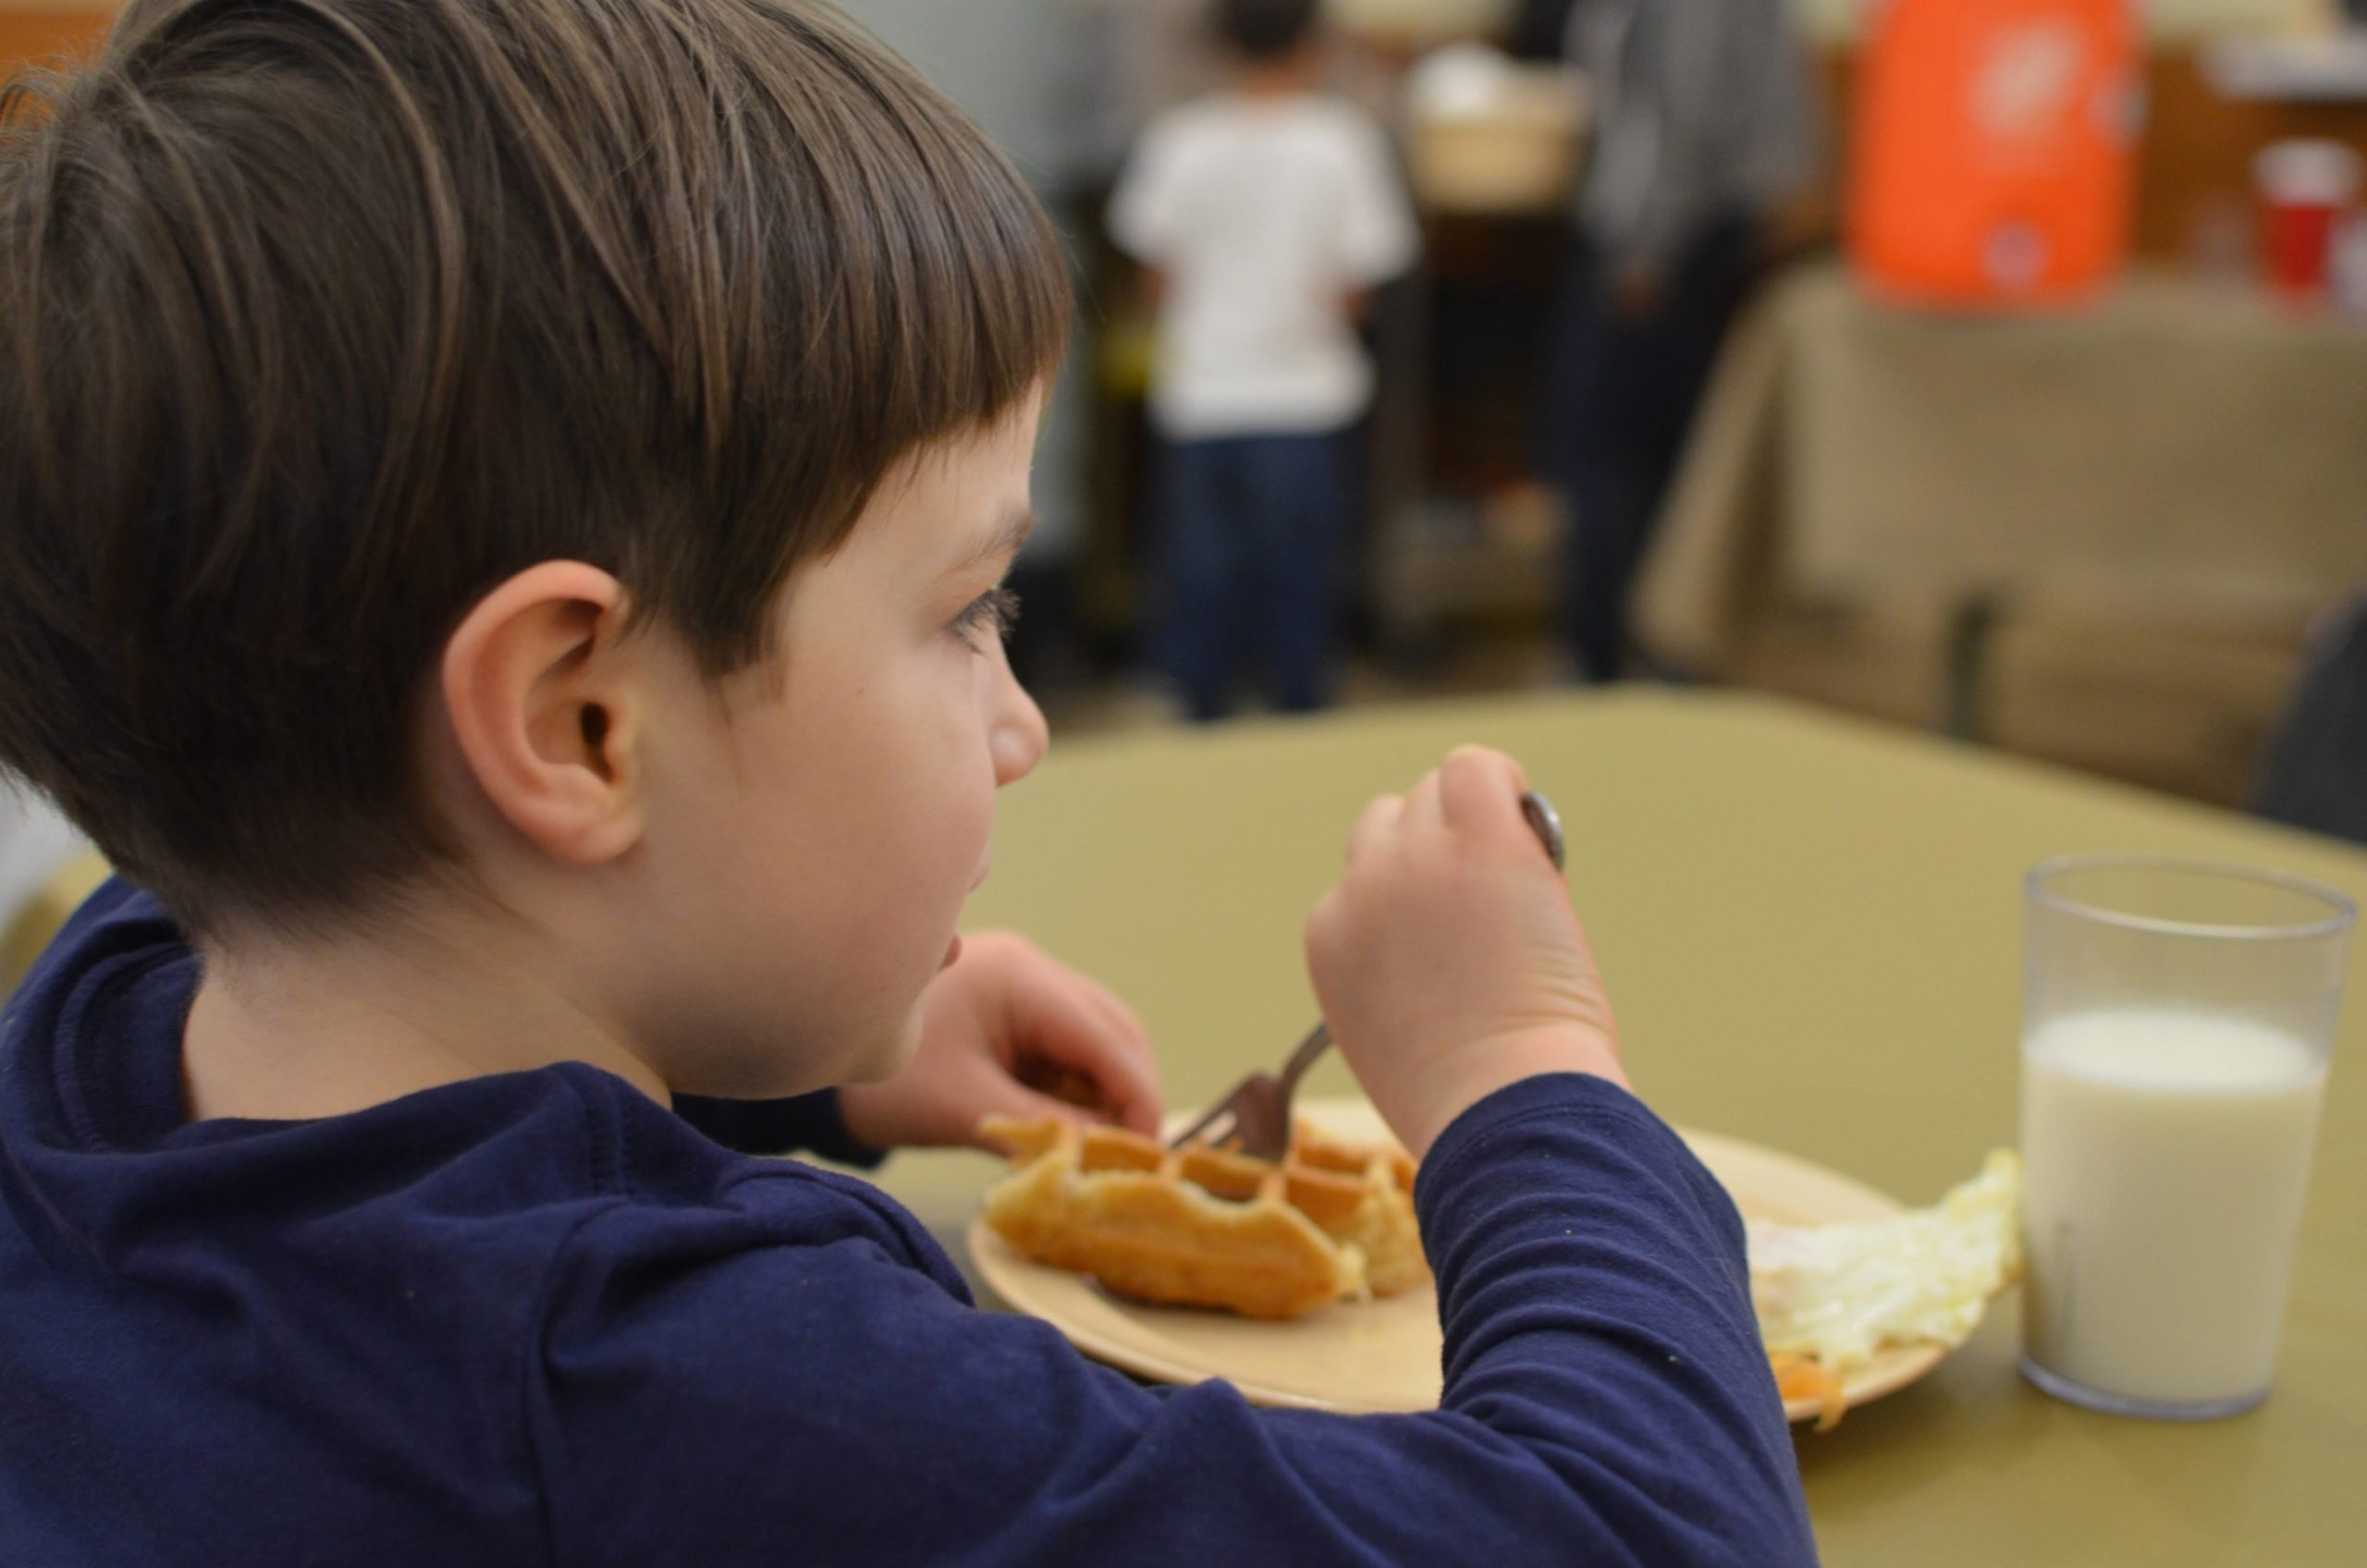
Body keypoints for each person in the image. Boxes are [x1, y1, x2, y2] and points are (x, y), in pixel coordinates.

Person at [0, 3, 1817, 1562]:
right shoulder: (711, 1391)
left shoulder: (102, 1028)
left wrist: (826, 1080)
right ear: (577, 726)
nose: (1021, 719)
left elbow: (415, 1074)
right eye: (965, 610)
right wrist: (1519, 1067)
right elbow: (1641, 1531)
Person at [1110, 0, 1417, 721]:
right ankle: (1296, 722)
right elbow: (1358, 287)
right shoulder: (1343, 141)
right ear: (1315, 42)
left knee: (1200, 576)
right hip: (1305, 396)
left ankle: (1196, 719)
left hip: (1203, 393)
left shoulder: (1178, 140)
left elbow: (1154, 277)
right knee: (1297, 583)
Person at [1546, 0, 1815, 681]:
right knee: (1660, 456)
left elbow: (1682, 120)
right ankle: (1649, 658)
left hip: (1665, 246)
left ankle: (1611, 661)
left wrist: (1646, 252)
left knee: (1613, 463)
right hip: (1692, 237)